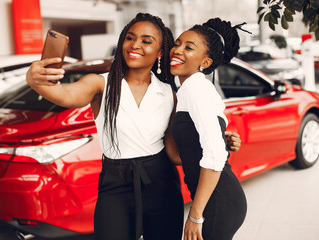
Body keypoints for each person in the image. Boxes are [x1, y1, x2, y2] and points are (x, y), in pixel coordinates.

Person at [26, 13, 240, 240]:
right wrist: (36, 81)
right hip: (115, 185)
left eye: (146, 41)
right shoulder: (101, 83)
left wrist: (218, 140)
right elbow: (66, 95)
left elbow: (175, 154)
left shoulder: (169, 92)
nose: (135, 45)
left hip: (162, 183)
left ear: (160, 52)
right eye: (130, 38)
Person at [169, 17, 248, 240]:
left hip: (217, 201)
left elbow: (214, 153)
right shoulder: (187, 89)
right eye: (177, 43)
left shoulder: (196, 87)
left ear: (205, 62)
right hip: (216, 199)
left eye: (188, 47)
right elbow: (180, 155)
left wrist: (195, 215)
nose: (177, 50)